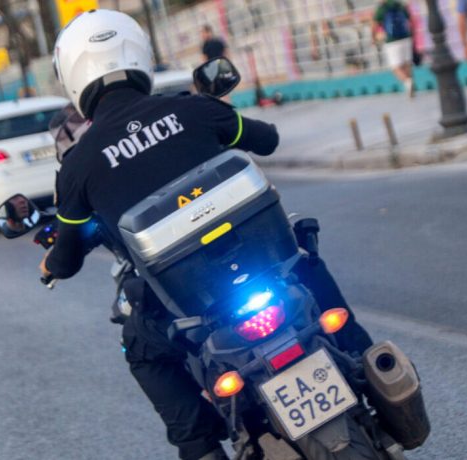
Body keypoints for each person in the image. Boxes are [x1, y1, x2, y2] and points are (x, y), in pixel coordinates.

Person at [41, 10, 372, 460]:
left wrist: (49, 264)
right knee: (305, 263)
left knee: (140, 349)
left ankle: (202, 450)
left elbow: (65, 261)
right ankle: (366, 358)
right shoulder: (192, 108)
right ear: (139, 54)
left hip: (190, 304)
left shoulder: (78, 166)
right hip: (263, 269)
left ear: (72, 77)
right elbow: (267, 140)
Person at [374, 0, 415, 97]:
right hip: (406, 37)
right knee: (407, 63)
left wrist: (373, 38)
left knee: (395, 67)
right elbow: (410, 19)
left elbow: (374, 24)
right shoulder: (399, 4)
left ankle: (407, 82)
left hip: (392, 40)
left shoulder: (382, 8)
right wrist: (412, 34)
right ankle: (410, 83)